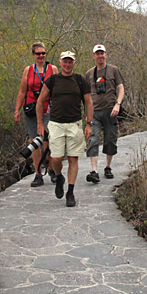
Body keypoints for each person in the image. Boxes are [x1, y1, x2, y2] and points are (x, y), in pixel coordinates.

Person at [36, 51, 92, 208]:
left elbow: (88, 102)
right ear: (60, 63)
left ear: (74, 63)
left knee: (73, 158)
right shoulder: (52, 80)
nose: (68, 65)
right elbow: (40, 101)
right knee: (55, 158)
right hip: (56, 124)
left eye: (70, 62)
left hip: (74, 124)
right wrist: (40, 124)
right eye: (65, 62)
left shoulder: (80, 80)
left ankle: (70, 192)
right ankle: (59, 177)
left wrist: (89, 123)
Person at [14, 42, 58, 186]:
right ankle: (38, 174)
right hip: (31, 109)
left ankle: (51, 169)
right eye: (38, 53)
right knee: (34, 141)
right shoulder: (28, 70)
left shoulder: (53, 69)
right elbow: (22, 91)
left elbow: (59, 89)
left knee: (47, 139)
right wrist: (17, 110)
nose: (41, 56)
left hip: (48, 108)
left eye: (43, 53)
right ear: (33, 55)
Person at [85, 44, 125, 183]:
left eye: (102, 53)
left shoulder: (114, 70)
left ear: (106, 55)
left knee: (110, 139)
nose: (100, 56)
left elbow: (121, 89)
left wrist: (118, 104)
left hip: (111, 111)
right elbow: (87, 95)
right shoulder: (90, 73)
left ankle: (108, 167)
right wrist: (87, 113)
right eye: (97, 53)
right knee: (93, 140)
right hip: (95, 112)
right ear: (94, 56)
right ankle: (94, 171)